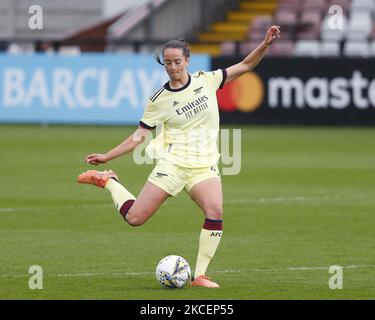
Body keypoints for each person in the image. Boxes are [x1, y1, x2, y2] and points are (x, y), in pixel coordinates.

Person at [77, 25, 281, 288]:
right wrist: (108, 156)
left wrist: (264, 44)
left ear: (187, 60)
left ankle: (200, 276)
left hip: (203, 165)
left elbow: (244, 66)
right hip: (173, 164)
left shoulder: (206, 80)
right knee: (135, 218)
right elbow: (139, 136)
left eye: (177, 62)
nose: (172, 67)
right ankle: (109, 181)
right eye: (168, 63)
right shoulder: (158, 100)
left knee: (215, 210)